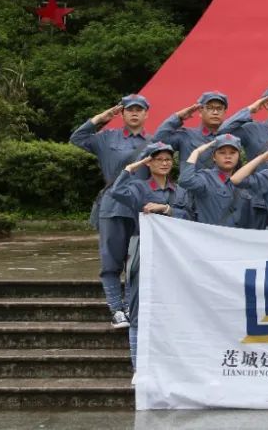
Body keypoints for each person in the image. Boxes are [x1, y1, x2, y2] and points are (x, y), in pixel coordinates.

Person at [107, 142, 193, 370]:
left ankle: (171, 366)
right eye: (158, 159)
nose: (164, 163)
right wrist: (132, 167)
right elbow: (116, 192)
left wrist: (167, 209)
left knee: (173, 307)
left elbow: (191, 218)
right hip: (144, 251)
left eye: (168, 159)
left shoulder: (180, 191)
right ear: (149, 162)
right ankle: (139, 368)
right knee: (138, 309)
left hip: (174, 254)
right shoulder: (138, 187)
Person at [69, 94, 151, 329]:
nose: (134, 113)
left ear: (146, 114)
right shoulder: (107, 138)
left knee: (138, 263)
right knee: (111, 262)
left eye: (139, 109)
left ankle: (132, 306)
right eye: (129, 109)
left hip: (142, 209)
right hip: (113, 207)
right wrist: (102, 117)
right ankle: (116, 309)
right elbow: (77, 138)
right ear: (122, 113)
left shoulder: (153, 142)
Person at [179, 134, 255, 228]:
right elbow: (185, 180)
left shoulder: (244, 182)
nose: (228, 156)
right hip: (209, 235)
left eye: (232, 153)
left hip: (236, 235)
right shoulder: (205, 178)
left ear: (238, 156)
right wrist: (196, 152)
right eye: (222, 153)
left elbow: (249, 219)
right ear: (214, 157)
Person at [219, 85, 268, 172]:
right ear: (267, 104)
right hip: (258, 180)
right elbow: (221, 132)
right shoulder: (251, 129)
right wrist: (249, 110)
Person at [154, 91, 229, 170]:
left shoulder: (230, 136)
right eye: (210, 108)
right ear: (200, 111)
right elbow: (158, 141)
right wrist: (178, 117)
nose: (215, 112)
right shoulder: (186, 135)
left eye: (219, 108)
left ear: (225, 111)